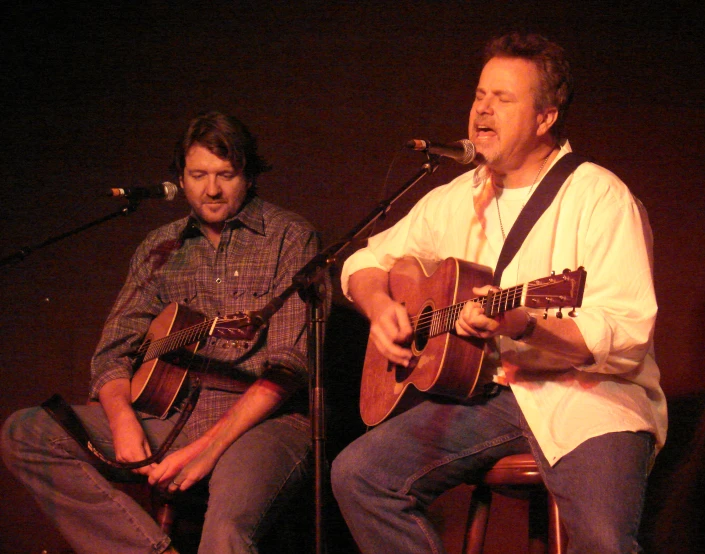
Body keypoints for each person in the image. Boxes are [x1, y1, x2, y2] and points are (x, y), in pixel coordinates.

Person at [331, 33, 667, 553]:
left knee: (603, 540)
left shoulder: (600, 197)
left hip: (588, 398)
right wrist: (380, 307)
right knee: (358, 475)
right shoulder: (453, 197)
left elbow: (623, 332)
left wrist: (528, 324)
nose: (482, 110)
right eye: (480, 95)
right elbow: (365, 261)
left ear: (545, 117)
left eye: (503, 99)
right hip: (486, 396)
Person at [2, 111, 325, 554]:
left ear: (248, 176)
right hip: (171, 414)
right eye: (198, 175)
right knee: (27, 430)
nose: (211, 189)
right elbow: (112, 351)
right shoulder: (159, 247)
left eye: (225, 175)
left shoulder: (290, 237)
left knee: (226, 530)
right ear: (180, 178)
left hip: (264, 422)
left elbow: (291, 364)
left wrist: (210, 449)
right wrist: (122, 419)